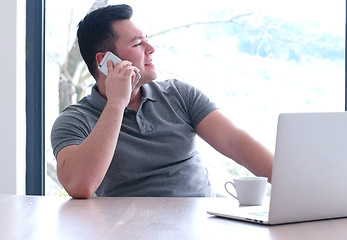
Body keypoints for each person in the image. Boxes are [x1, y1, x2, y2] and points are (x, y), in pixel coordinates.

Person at [51, 4, 273, 199]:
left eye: (147, 40)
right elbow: (80, 185)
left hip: (202, 224)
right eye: (138, 44)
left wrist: (292, 181)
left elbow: (235, 142)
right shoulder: (75, 120)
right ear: (105, 61)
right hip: (130, 230)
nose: (151, 49)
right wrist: (116, 104)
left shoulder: (180, 95)